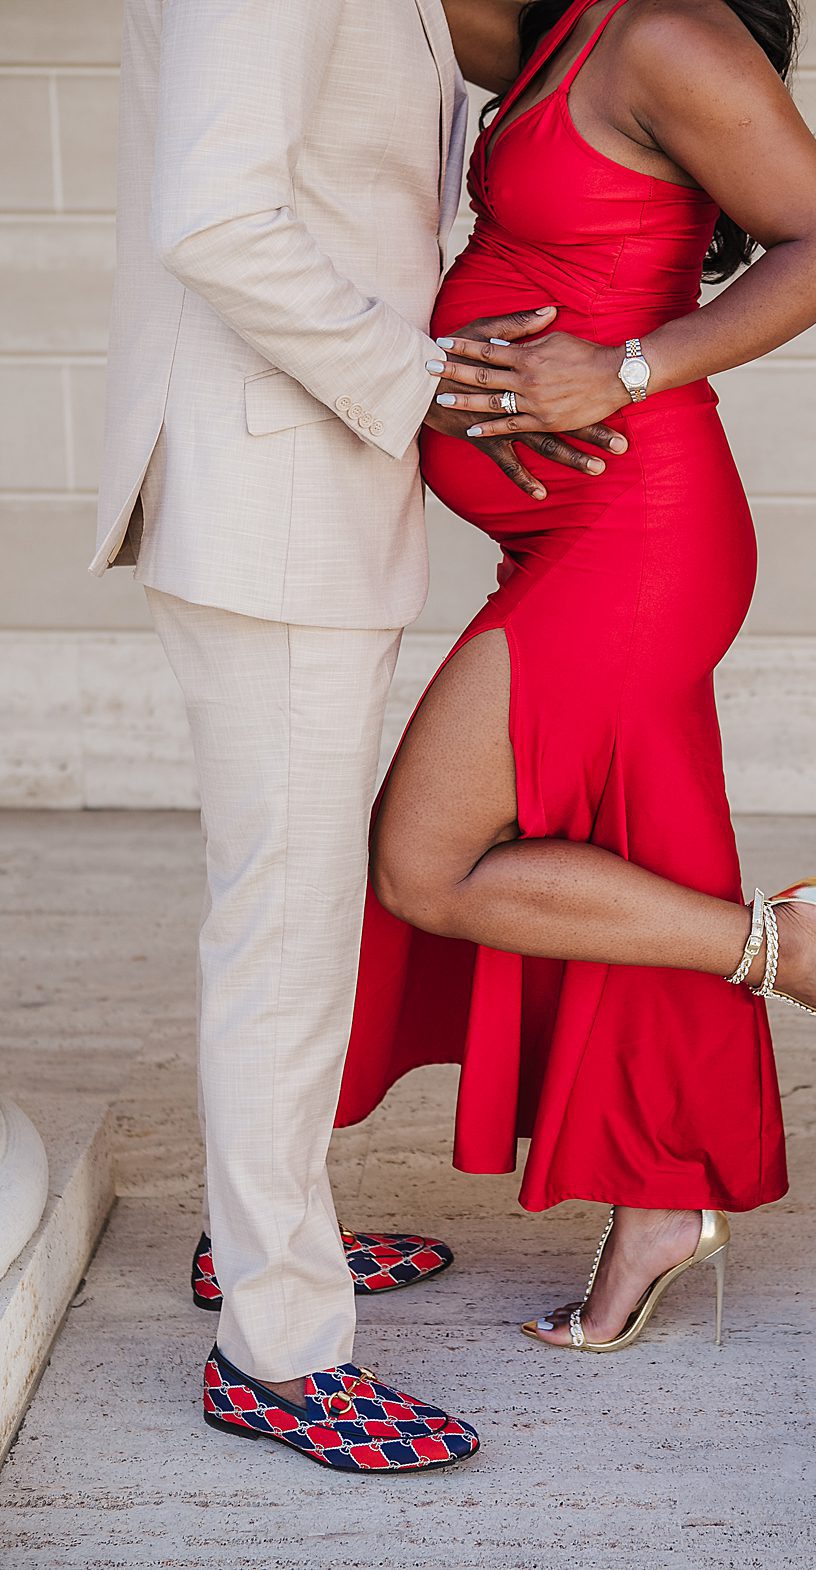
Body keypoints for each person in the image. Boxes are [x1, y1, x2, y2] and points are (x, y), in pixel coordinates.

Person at [335, 0, 816, 1357]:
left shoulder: (668, 33)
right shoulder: (570, 27)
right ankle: (660, 1204)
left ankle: (792, 944)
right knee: (627, 869)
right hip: (565, 536)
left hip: (637, 533)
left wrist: (623, 366)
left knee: (426, 863)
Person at [90, 0, 627, 1473]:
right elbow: (214, 216)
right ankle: (278, 1351)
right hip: (271, 504)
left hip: (307, 497)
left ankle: (262, 1238)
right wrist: (425, 381)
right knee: (285, 933)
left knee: (285, 917)